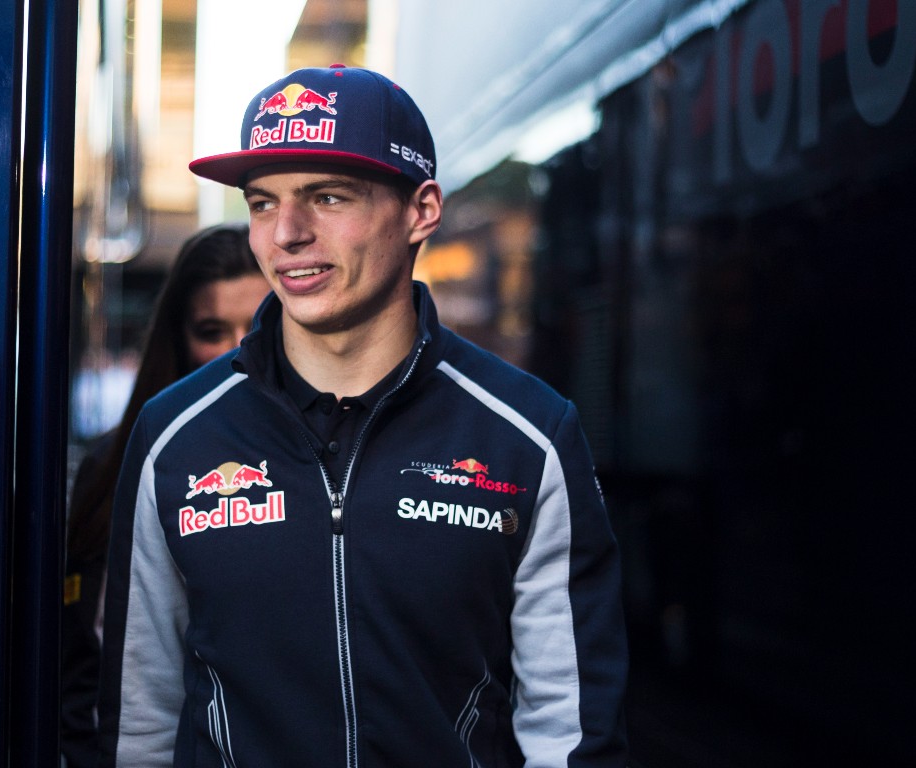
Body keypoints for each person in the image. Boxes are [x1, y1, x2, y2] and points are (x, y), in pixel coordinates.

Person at [96, 64, 627, 767]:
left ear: (421, 210)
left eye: (327, 196)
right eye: (261, 203)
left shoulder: (526, 436)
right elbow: (139, 721)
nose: (286, 233)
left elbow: (571, 731)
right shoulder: (176, 438)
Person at [60, 223, 267, 768]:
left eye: (258, 324)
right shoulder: (117, 463)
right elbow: (82, 662)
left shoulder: (320, 469)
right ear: (179, 336)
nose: (236, 349)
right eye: (211, 329)